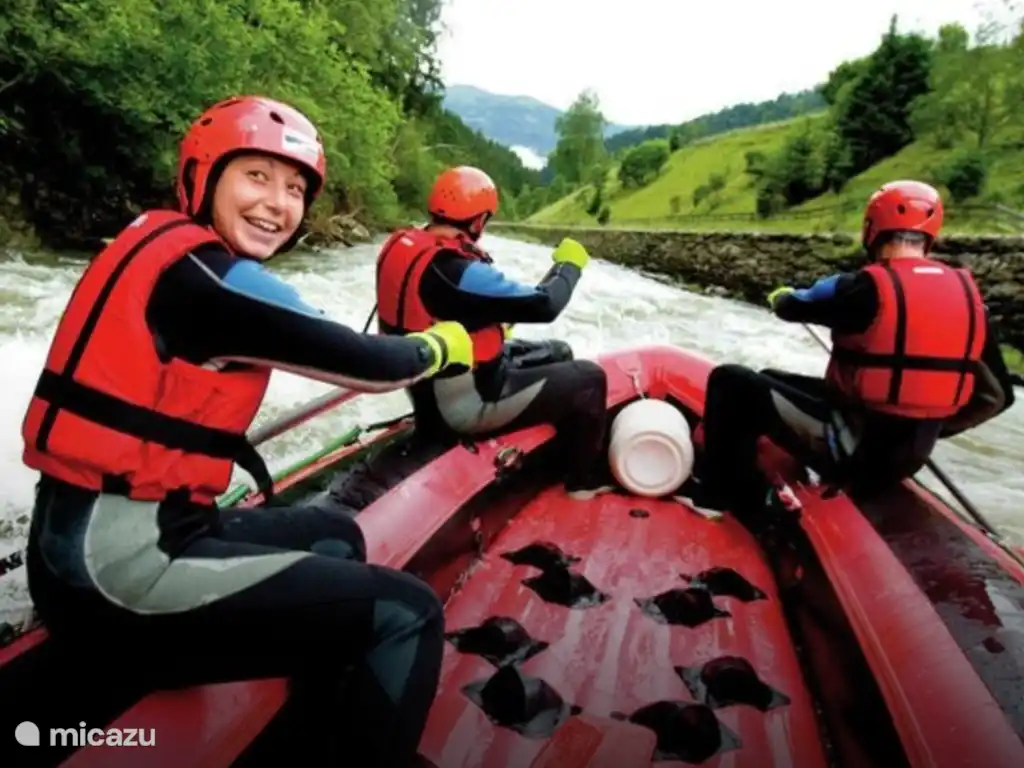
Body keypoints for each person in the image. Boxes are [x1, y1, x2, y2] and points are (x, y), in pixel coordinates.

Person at [20, 95, 475, 767]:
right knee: (405, 613)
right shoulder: (209, 281)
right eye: (256, 176)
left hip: (116, 537)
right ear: (204, 177)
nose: (277, 204)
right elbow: (374, 365)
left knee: (338, 537)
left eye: (295, 188)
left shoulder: (171, 252)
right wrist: (441, 346)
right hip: (115, 573)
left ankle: (312, 731)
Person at [697, 180, 1015, 525]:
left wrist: (779, 298)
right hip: (909, 458)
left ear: (872, 229)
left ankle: (733, 497)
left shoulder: (862, 288)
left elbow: (792, 306)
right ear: (930, 235)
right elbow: (998, 397)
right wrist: (932, 422)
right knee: (771, 379)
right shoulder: (971, 302)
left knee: (730, 381)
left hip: (851, 452)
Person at [374, 165, 611, 499]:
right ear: (478, 221)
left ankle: (550, 451)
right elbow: (545, 304)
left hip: (430, 389)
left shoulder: (406, 245)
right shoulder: (456, 270)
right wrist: (568, 266)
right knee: (590, 379)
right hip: (463, 406)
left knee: (559, 352)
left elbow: (443, 308)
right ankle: (582, 481)